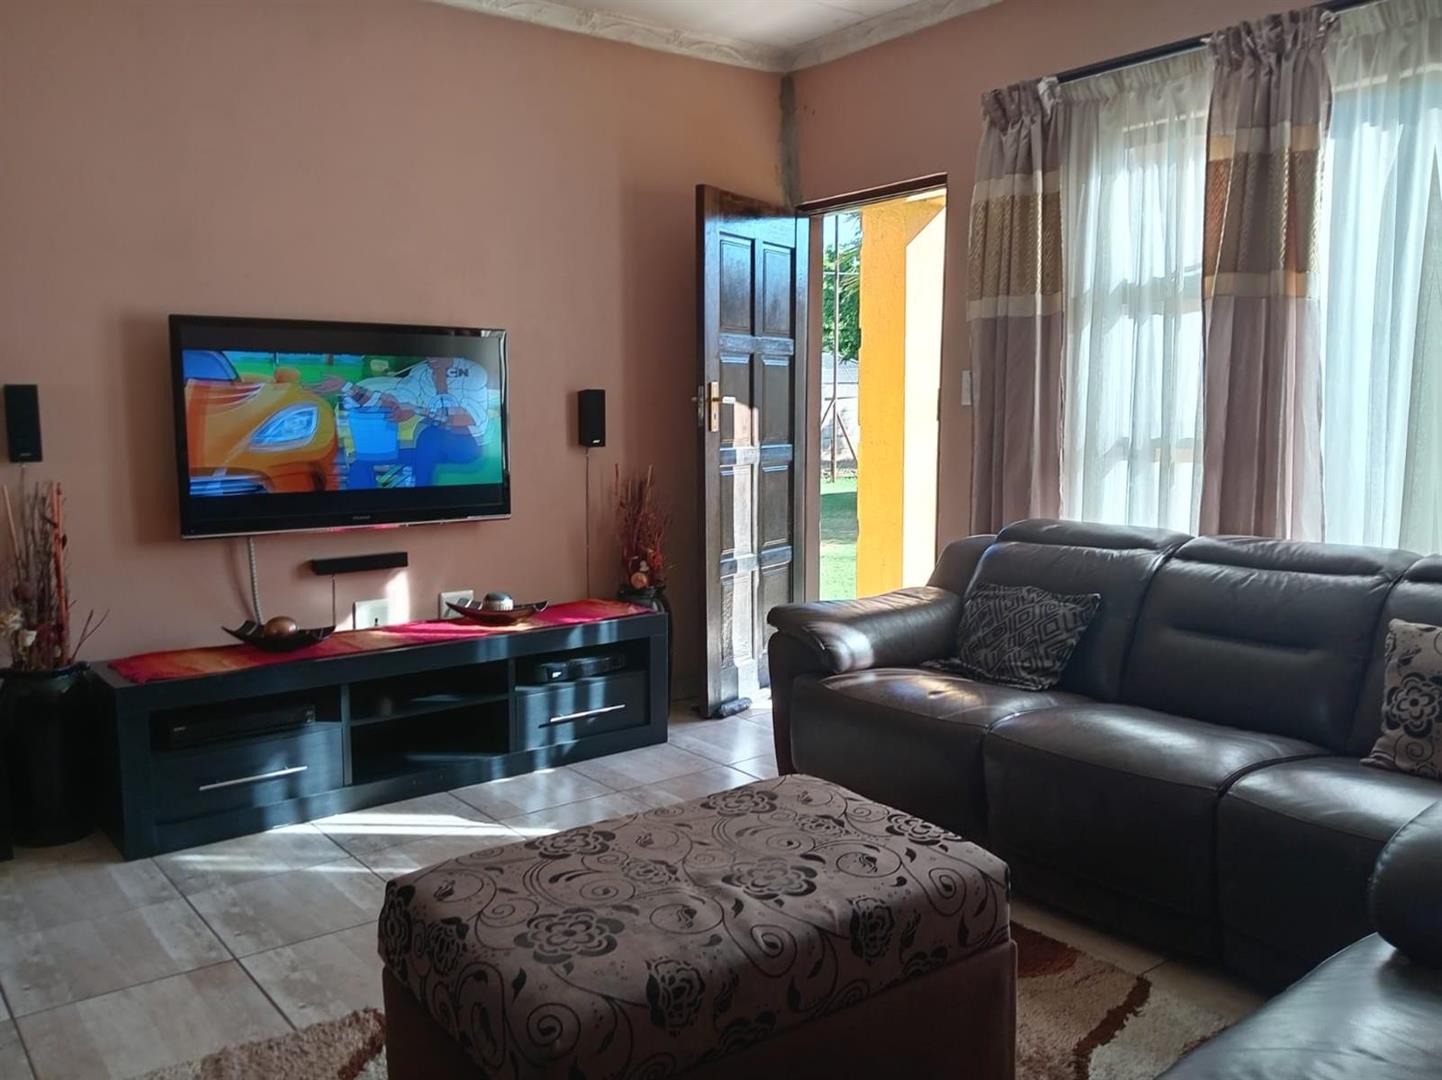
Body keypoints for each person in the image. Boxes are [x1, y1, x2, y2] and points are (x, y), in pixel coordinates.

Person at [313, 357, 490, 487]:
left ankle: (423, 502)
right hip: (427, 449)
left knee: (431, 435)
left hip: (467, 446)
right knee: (361, 462)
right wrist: (348, 388)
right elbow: (389, 402)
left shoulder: (473, 372)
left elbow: (467, 418)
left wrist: (423, 402)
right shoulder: (421, 373)